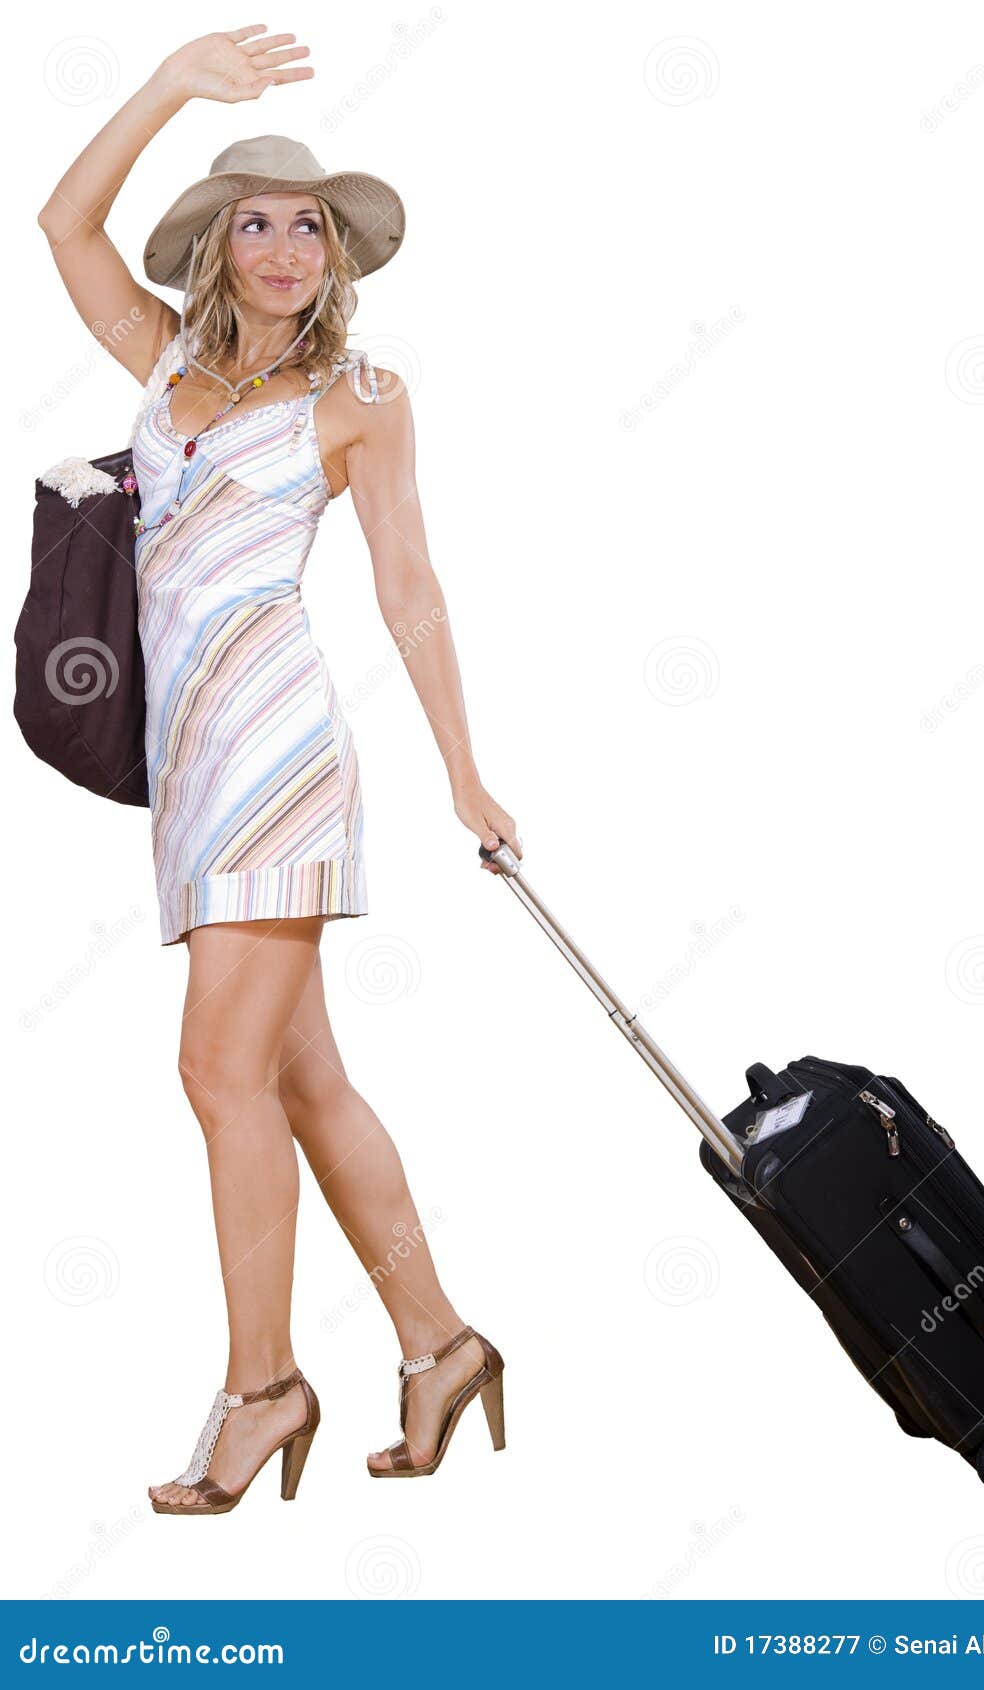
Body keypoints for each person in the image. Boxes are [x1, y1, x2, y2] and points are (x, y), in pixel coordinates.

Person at [37, 23, 517, 1515]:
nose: (287, 248)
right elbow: (61, 223)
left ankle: (262, 1390)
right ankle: (440, 1345)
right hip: (188, 767)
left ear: (336, 251)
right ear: (218, 246)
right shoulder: (164, 357)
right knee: (304, 1080)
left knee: (214, 1071)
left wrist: (464, 773)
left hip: (279, 754)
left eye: (309, 225)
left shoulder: (360, 393)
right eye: (256, 222)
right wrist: (172, 84)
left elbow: (409, 586)